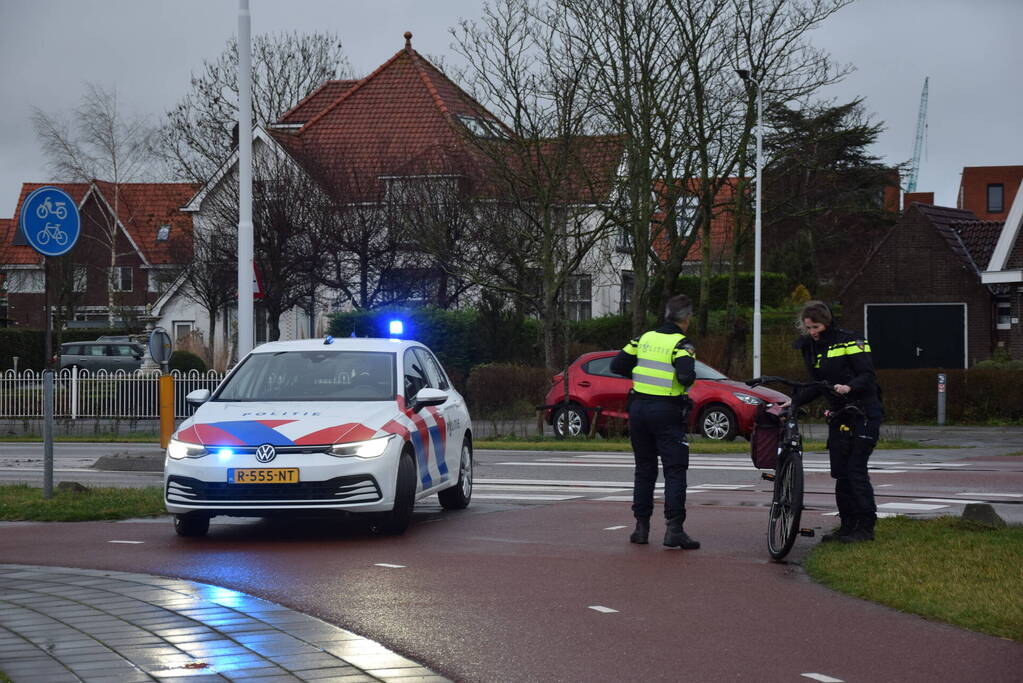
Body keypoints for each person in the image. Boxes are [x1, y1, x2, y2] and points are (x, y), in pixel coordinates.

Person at [610, 294, 699, 549]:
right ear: (687, 318)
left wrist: (640, 374)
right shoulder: (682, 344)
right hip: (667, 411)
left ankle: (641, 528)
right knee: (674, 469)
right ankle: (674, 529)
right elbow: (684, 376)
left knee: (645, 468)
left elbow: (618, 365)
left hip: (638, 409)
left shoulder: (643, 338)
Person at [790, 300, 883, 543]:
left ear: (827, 322)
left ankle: (865, 526)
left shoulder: (850, 341)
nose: (812, 333)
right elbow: (817, 385)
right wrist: (792, 404)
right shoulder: (811, 348)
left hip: (863, 412)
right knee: (841, 472)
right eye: (808, 328)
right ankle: (847, 524)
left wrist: (849, 387)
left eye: (816, 327)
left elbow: (867, 375)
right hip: (839, 414)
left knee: (855, 469)